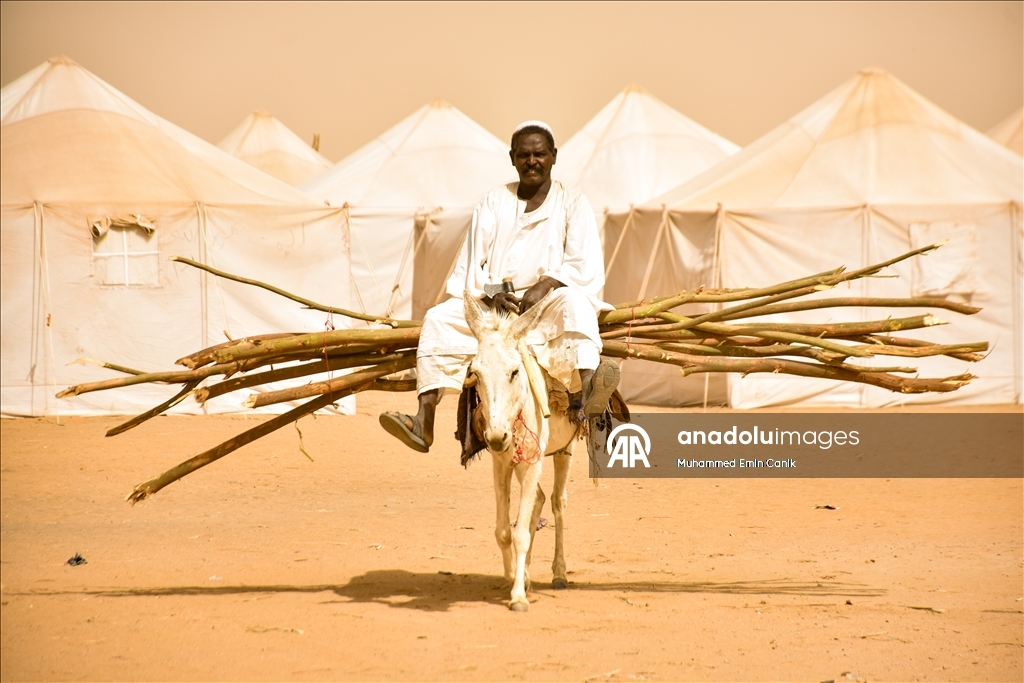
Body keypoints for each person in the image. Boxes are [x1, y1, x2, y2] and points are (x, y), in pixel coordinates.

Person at [379, 120, 619, 452]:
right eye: (524, 155)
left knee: (575, 304)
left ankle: (593, 403)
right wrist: (493, 294)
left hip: (548, 306)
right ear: (512, 158)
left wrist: (546, 284)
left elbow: (584, 265)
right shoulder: (493, 202)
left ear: (553, 157)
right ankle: (424, 420)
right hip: (495, 312)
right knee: (438, 318)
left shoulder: (572, 204)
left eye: (539, 154)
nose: (532, 161)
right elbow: (469, 265)